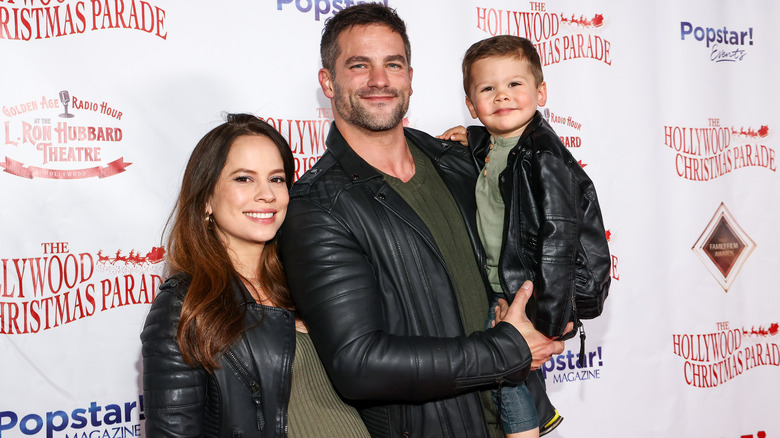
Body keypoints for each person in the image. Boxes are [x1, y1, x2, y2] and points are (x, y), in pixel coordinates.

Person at [277, 5, 569, 438]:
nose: (379, 80)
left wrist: (556, 308)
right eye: (359, 65)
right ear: (328, 82)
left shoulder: (460, 162)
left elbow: (545, 236)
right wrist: (508, 348)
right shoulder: (317, 208)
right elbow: (359, 364)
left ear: (410, 77)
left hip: (518, 421)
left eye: (392, 64)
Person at [140, 114, 370, 437]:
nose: (267, 194)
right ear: (206, 199)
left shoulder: (304, 278)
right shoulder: (183, 304)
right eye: (244, 179)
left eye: (276, 179)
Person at [438, 35, 612, 437]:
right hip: (504, 283)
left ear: (540, 91)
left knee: (505, 372)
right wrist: (474, 137)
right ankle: (542, 410)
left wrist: (545, 324)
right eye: (487, 89)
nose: (502, 96)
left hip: (531, 291)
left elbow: (558, 242)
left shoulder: (544, 157)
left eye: (515, 84)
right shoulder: (498, 144)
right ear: (472, 105)